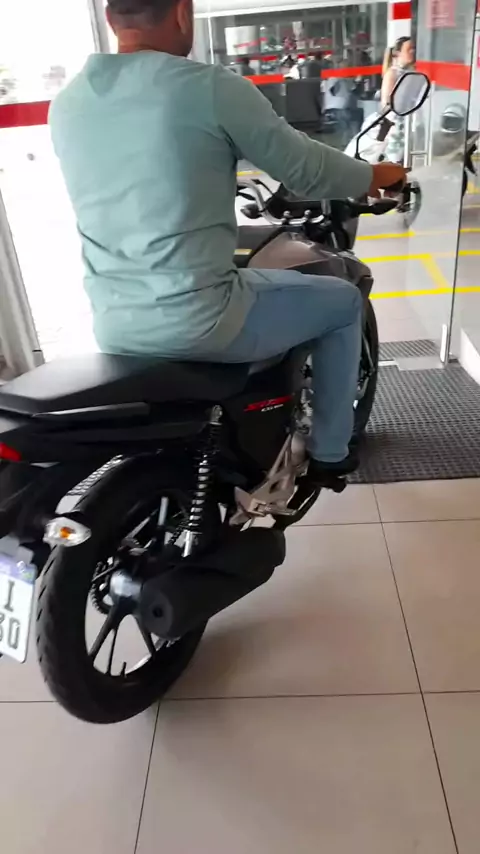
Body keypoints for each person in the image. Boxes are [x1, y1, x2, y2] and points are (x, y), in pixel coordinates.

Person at [49, 0, 406, 483]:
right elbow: (307, 169)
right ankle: (330, 452)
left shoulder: (69, 102)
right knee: (342, 302)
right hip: (199, 320)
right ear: (182, 12)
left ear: (111, 18)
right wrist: (376, 175)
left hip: (116, 323)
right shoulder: (207, 87)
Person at [381, 36, 415, 164]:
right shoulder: (393, 73)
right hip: (398, 126)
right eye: (409, 49)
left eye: (413, 48)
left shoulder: (411, 72)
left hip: (411, 123)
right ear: (397, 53)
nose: (413, 52)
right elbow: (387, 104)